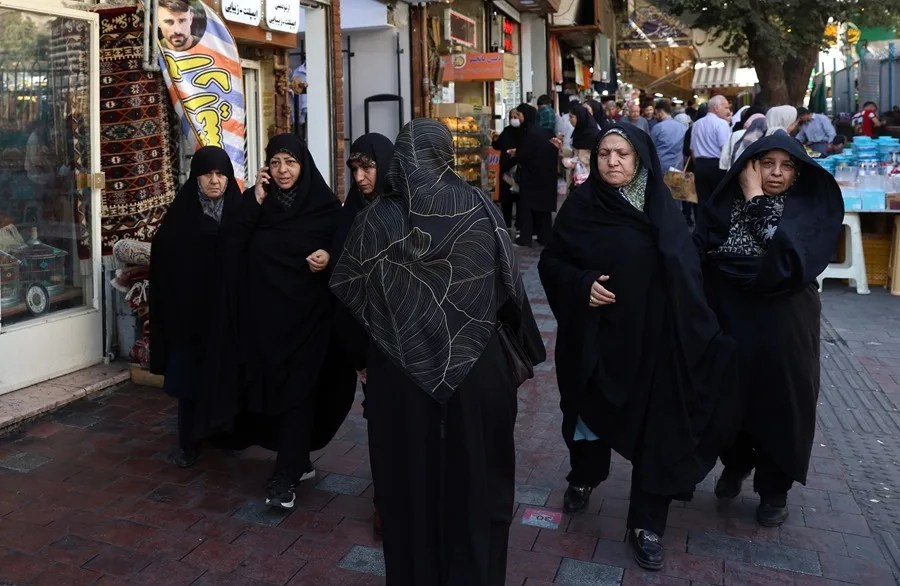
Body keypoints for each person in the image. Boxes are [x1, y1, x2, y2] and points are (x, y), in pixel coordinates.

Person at [330, 118, 545, 585]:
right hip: (478, 367)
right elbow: (510, 290)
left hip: (399, 372)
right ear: (446, 157)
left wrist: (366, 357)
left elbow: (348, 292)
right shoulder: (479, 208)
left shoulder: (376, 220)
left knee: (409, 486)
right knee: (478, 485)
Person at [538, 124, 736, 571]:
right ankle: (585, 476)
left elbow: (685, 271)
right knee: (587, 419)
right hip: (595, 342)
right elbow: (552, 261)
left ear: (640, 160)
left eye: (623, 154)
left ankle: (647, 523)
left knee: (658, 429)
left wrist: (701, 331)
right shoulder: (581, 206)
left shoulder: (660, 209)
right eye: (604, 153)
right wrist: (581, 284)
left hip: (655, 342)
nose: (612, 162)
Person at [694, 132, 843, 528]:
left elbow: (788, 260)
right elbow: (702, 251)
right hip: (731, 316)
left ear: (798, 173)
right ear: (749, 166)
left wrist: (755, 197)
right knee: (731, 398)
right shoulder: (725, 204)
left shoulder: (806, 208)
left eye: (787, 165)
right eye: (766, 163)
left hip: (785, 323)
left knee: (783, 404)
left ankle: (775, 491)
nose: (776, 173)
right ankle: (736, 463)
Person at [238, 134, 342, 510]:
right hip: (267, 322)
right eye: (276, 162)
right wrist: (253, 200)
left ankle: (285, 477)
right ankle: (297, 459)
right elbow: (234, 244)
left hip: (310, 321)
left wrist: (328, 257)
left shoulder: (325, 208)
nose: (283, 170)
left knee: (300, 392)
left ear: (304, 165)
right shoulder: (259, 205)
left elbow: (345, 247)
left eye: (291, 162)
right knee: (279, 393)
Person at [149, 146, 243, 468]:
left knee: (226, 375)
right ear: (196, 177)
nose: (215, 181)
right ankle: (188, 443)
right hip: (190, 317)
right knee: (190, 381)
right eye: (207, 174)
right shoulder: (182, 216)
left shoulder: (238, 212)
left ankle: (224, 433)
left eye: (221, 174)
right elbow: (164, 258)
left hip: (228, 315)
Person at [331, 132, 395, 536]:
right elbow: (342, 288)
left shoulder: (404, 211)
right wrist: (357, 357)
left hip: (408, 343)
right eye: (354, 169)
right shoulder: (351, 215)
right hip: (370, 346)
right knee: (382, 427)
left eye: (367, 167)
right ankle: (385, 503)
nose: (359, 177)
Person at [511, 103, 559, 247]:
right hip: (547, 176)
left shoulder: (529, 133)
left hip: (532, 176)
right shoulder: (546, 131)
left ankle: (525, 238)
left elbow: (524, 154)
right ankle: (544, 237)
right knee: (543, 209)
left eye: (519, 115)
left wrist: (516, 154)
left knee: (527, 207)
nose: (518, 118)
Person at [690, 95, 732, 207]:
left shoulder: (696, 124)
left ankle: (702, 219)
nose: (728, 111)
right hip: (717, 166)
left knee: (701, 201)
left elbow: (692, 149)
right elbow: (725, 149)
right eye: (726, 107)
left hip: (700, 165)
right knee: (718, 201)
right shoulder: (722, 124)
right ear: (716, 107)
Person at [492, 110, 526, 229]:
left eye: (516, 116)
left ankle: (519, 225)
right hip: (506, 170)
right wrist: (495, 139)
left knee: (520, 198)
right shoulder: (506, 131)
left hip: (519, 170)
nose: (514, 119)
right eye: (511, 117)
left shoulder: (525, 132)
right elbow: (498, 146)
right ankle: (507, 224)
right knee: (506, 199)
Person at [557, 104, 600, 192]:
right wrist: (560, 148)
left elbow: (597, 159)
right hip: (576, 179)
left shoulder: (594, 135)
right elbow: (574, 154)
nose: (569, 120)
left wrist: (577, 163)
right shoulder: (578, 133)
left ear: (580, 117)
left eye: (571, 117)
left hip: (589, 180)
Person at [650, 100, 686, 172]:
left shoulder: (658, 128)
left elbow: (651, 147)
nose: (655, 116)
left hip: (661, 166)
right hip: (677, 166)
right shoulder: (682, 127)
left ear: (661, 112)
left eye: (656, 114)